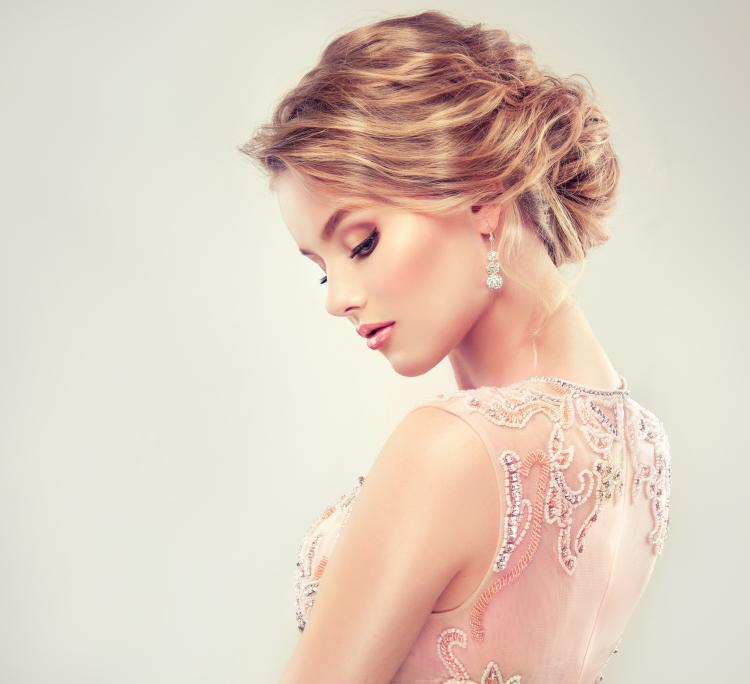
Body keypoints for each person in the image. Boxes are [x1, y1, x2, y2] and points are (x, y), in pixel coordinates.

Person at [238, 10, 672, 684]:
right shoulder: (644, 448)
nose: (337, 298)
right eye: (323, 269)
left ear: (481, 194)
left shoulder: (450, 448)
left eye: (361, 243)